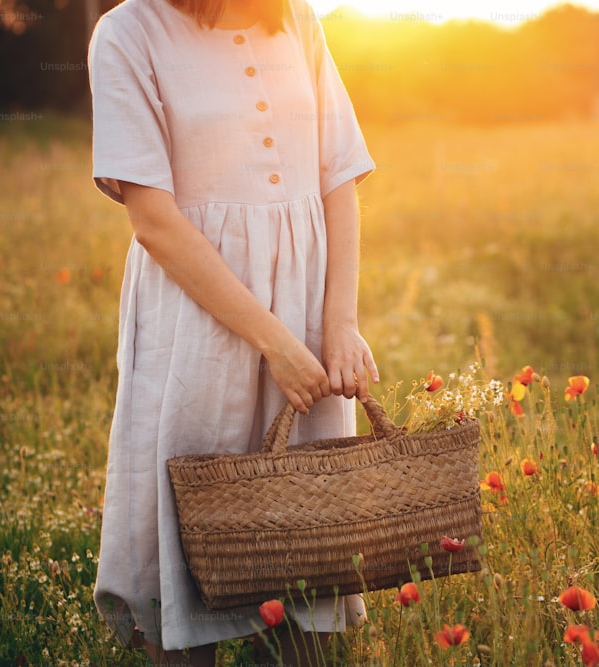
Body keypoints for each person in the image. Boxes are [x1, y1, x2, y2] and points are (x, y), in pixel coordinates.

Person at [87, 0, 377, 662]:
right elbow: (153, 218)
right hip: (199, 325)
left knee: (308, 543)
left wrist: (339, 322)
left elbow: (339, 179)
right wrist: (272, 341)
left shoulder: (296, 19)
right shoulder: (129, 33)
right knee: (193, 541)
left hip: (307, 316)